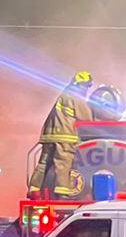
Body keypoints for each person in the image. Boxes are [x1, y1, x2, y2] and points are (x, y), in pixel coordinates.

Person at [27, 69, 95, 200]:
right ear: (80, 85)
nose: (86, 90)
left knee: (43, 163)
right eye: (86, 86)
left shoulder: (65, 94)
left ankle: (34, 189)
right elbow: (87, 116)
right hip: (65, 136)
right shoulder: (76, 96)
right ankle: (62, 192)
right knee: (63, 163)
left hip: (49, 135)